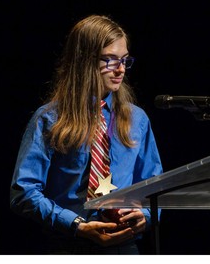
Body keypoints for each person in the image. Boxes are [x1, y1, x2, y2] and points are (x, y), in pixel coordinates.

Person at [10, 14, 163, 254]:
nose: (120, 69)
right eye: (110, 60)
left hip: (124, 246)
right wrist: (76, 226)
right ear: (85, 61)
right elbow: (24, 193)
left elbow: (155, 187)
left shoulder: (137, 119)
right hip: (66, 244)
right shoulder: (50, 118)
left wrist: (146, 215)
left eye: (124, 60)